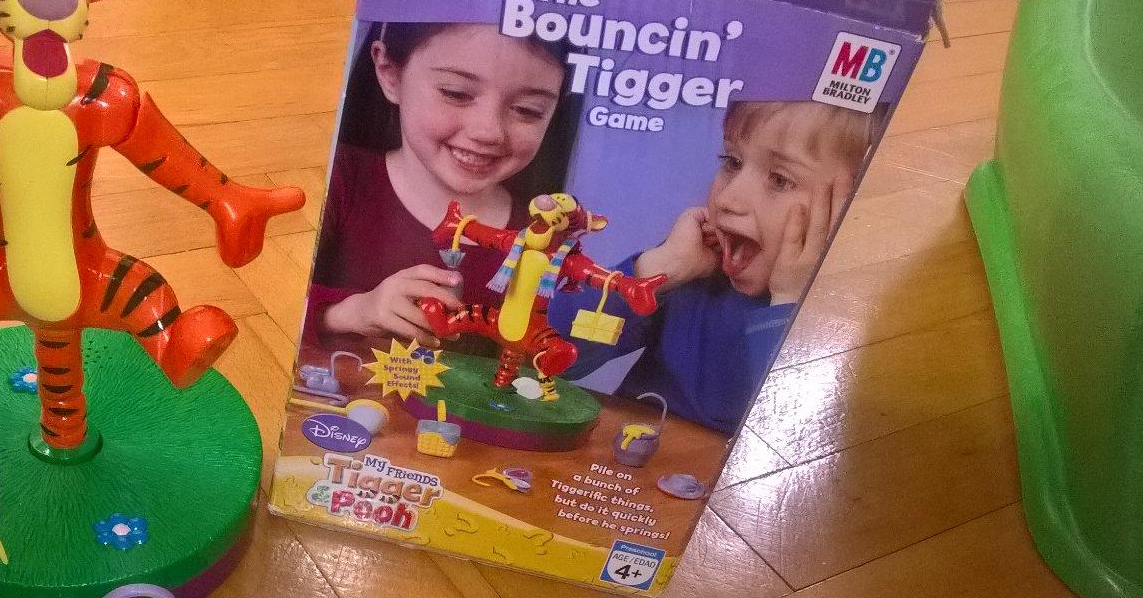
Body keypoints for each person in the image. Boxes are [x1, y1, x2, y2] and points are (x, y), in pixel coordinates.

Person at [566, 99, 887, 434]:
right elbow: (555, 353)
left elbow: (799, 435)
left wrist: (789, 303)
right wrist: (658, 269)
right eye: (733, 162)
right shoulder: (692, 267)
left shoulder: (855, 321)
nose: (727, 199)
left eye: (779, 180)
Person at [305, 22, 580, 345]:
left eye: (527, 110)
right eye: (456, 93)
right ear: (390, 73)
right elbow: (275, 296)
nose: (488, 131)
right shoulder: (335, 179)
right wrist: (347, 312)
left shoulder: (545, 239)